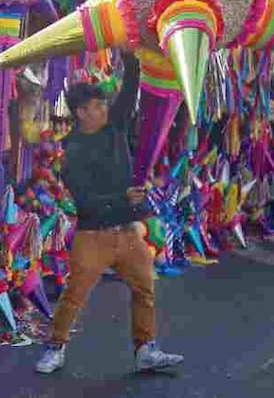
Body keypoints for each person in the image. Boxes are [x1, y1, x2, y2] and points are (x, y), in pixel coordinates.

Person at [34, 54, 184, 374]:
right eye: (97, 106)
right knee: (74, 294)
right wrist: (122, 197)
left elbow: (129, 91)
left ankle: (145, 349)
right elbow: (86, 202)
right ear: (81, 112)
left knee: (145, 288)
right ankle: (55, 347)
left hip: (127, 232)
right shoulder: (71, 150)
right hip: (93, 235)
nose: (104, 109)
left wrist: (130, 54)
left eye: (104, 105)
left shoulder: (115, 127)